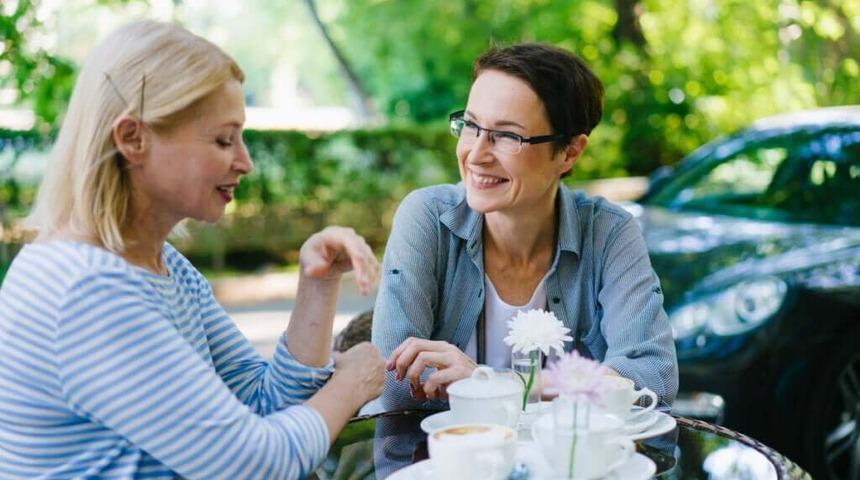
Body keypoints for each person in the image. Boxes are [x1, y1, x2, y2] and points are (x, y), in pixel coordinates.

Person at [0, 21, 384, 479]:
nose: (245, 162)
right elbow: (254, 464)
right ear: (133, 139)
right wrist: (350, 386)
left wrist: (317, 285)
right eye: (224, 139)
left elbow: (263, 403)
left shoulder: (161, 266)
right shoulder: (87, 290)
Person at [372, 43, 678, 410]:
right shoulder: (426, 217)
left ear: (569, 152)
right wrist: (570, 387)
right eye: (471, 126)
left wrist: (497, 384)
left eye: (507, 136)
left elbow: (652, 377)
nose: (476, 154)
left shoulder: (609, 233)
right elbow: (391, 384)